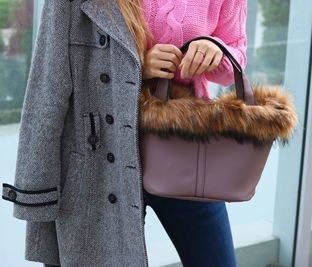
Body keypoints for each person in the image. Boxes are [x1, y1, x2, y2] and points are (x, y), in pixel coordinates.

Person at [1, 0, 247, 266]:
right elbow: (52, 79)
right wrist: (137, 63)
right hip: (103, 153)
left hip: (184, 149)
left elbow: (235, 61)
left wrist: (216, 50)